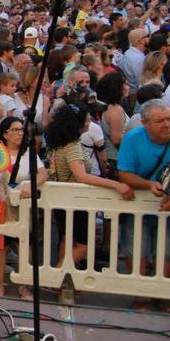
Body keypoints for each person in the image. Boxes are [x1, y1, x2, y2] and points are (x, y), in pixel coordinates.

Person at [45, 104, 132, 268]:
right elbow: (81, 176)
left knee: (67, 238)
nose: (90, 122)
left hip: (60, 199)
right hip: (75, 201)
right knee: (84, 245)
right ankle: (57, 276)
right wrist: (116, 185)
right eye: (87, 119)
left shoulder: (58, 144)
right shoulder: (72, 146)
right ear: (78, 124)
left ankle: (64, 282)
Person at [0, 117, 47, 298]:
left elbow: (43, 173)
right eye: (15, 130)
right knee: (0, 246)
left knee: (25, 246)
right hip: (0, 208)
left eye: (22, 130)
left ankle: (23, 286)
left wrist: (32, 184)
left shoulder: (29, 153)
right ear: (5, 133)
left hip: (23, 210)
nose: (20, 133)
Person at [116, 99, 170, 289]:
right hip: (137, 205)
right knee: (136, 250)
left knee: (166, 252)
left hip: (166, 208)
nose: (166, 124)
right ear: (145, 123)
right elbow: (124, 173)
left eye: (169, 119)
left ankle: (162, 295)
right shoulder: (133, 138)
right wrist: (148, 184)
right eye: (160, 121)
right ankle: (140, 295)